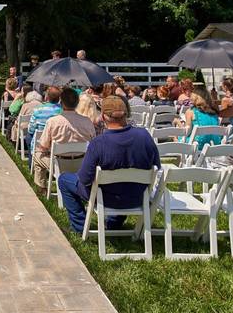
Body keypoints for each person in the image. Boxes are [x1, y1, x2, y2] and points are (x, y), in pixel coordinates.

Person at [57, 96, 160, 233]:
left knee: (64, 179)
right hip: (138, 197)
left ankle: (79, 227)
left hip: (105, 198)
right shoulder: (144, 136)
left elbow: (84, 179)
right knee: (123, 185)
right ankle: (113, 223)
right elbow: (156, 166)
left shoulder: (98, 143)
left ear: (104, 117)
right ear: (126, 114)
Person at [32, 88, 96, 191]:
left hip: (59, 164)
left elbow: (43, 146)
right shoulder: (87, 121)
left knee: (37, 155)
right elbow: (94, 143)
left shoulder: (52, 121)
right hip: (82, 163)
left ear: (61, 102)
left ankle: (41, 188)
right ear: (77, 102)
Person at [26, 87, 62, 166]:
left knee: (29, 136)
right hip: (57, 140)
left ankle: (31, 163)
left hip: (41, 142)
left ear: (47, 97)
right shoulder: (62, 110)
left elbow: (31, 129)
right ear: (59, 98)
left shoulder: (38, 109)